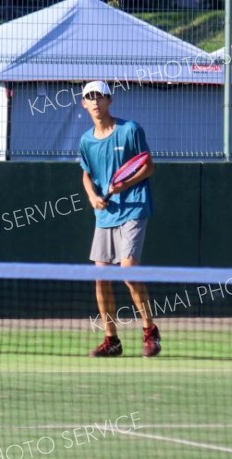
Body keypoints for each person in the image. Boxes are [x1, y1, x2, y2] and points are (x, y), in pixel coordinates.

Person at [79, 80, 160, 358]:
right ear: (84, 104)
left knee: (128, 270)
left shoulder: (130, 130)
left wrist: (126, 185)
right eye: (90, 97)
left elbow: (148, 166)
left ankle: (149, 330)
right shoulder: (86, 140)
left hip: (135, 208)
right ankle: (111, 339)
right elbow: (86, 174)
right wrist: (92, 197)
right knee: (101, 278)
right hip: (105, 214)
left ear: (109, 101)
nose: (96, 102)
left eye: (100, 97)